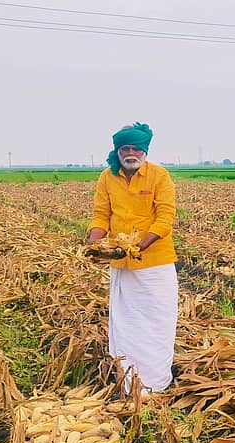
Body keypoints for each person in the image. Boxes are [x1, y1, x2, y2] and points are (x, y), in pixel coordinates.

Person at [86, 122, 179, 392]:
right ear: (117, 151)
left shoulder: (159, 177)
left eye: (135, 149)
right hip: (121, 265)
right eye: (125, 148)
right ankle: (127, 382)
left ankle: (155, 383)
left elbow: (165, 217)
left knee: (155, 322)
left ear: (144, 151)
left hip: (155, 264)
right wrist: (95, 243)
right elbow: (101, 215)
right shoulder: (107, 177)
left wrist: (141, 245)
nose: (130, 153)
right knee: (127, 324)